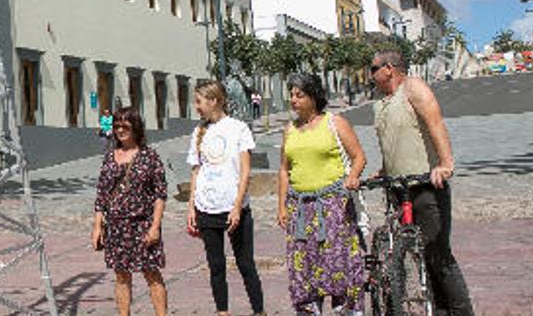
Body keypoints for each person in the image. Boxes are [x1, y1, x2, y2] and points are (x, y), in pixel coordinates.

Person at [370, 50, 474, 315]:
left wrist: (445, 164)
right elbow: (395, 139)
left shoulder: (413, 88)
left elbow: (436, 124)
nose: (370, 75)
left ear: (389, 69)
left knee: (438, 257)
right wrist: (384, 169)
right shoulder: (381, 101)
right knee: (420, 257)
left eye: (373, 69)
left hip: (426, 186)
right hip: (398, 188)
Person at [276, 72, 367, 314]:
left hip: (332, 206)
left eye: (300, 95)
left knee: (338, 262)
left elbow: (359, 156)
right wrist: (282, 206)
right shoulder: (289, 130)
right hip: (299, 209)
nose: (294, 100)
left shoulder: (334, 123)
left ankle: (346, 309)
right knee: (303, 266)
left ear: (314, 96)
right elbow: (284, 170)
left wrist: (353, 176)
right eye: (292, 95)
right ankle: (309, 309)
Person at [185, 81, 265, 316]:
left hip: (234, 208)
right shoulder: (199, 132)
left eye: (199, 101)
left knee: (246, 264)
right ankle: (223, 312)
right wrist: (191, 208)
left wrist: (238, 206)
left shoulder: (238, 128)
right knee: (216, 266)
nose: (196, 107)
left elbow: (245, 170)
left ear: (214, 101)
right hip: (206, 207)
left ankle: (259, 311)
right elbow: (196, 171)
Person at [91, 106, 168, 316]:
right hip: (116, 226)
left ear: (136, 127)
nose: (120, 130)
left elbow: (160, 194)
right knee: (121, 275)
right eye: (116, 126)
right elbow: (101, 195)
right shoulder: (109, 158)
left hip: (142, 224)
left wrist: (155, 227)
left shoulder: (149, 156)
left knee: (152, 273)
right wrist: (97, 226)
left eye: (125, 125)